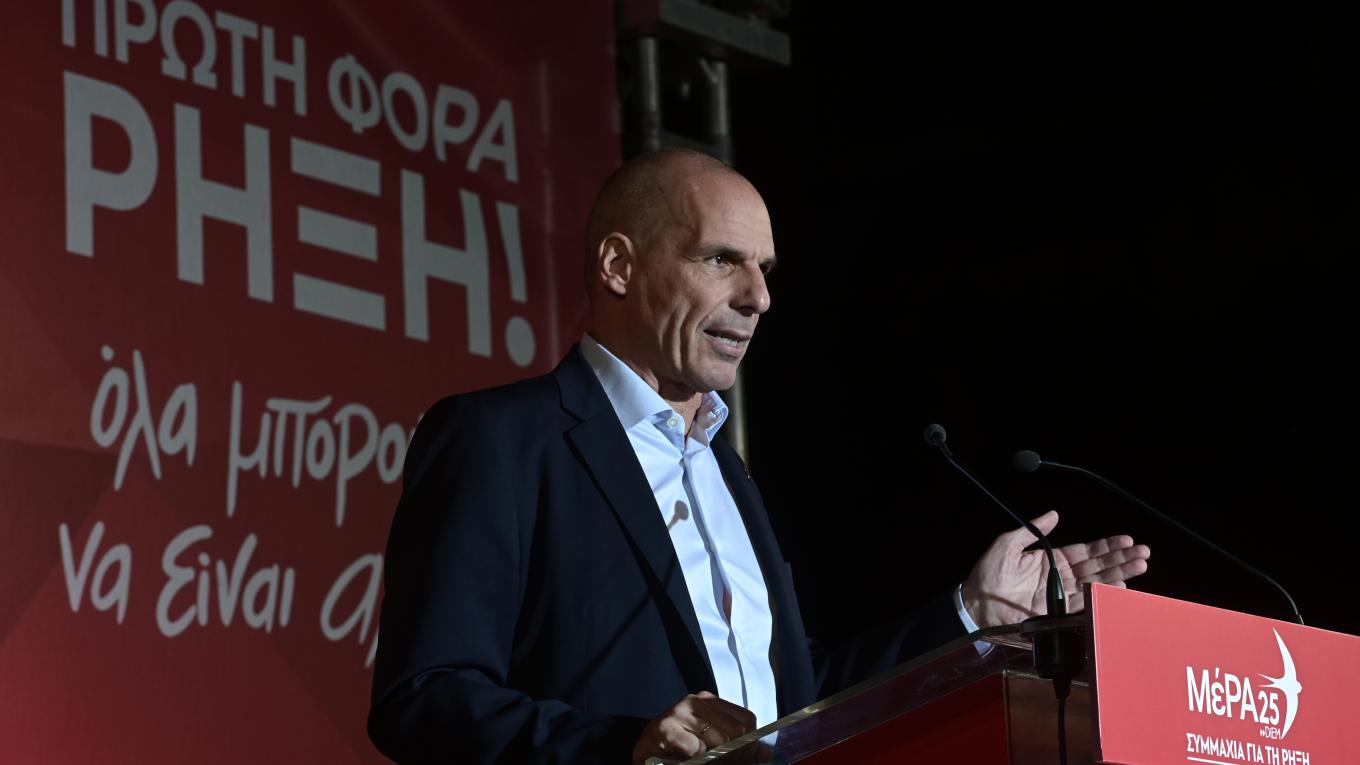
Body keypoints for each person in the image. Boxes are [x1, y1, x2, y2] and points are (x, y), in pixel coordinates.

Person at [367, 149, 1151, 765]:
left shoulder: (728, 469)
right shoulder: (501, 438)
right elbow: (425, 696)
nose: (759, 297)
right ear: (618, 265)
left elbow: (800, 701)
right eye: (722, 259)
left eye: (764, 270)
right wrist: (625, 745)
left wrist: (969, 615)